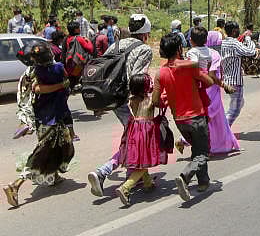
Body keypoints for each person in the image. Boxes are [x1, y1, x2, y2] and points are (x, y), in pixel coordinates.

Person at [87, 14, 153, 198]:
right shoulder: (144, 50)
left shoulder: (114, 45)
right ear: (145, 33)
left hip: (111, 97)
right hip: (129, 99)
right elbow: (137, 78)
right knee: (135, 138)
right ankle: (103, 171)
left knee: (131, 136)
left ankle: (134, 173)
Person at [3, 41, 75, 208]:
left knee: (55, 147)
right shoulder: (57, 68)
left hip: (42, 116)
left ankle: (54, 175)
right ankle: (15, 185)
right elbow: (44, 88)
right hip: (53, 117)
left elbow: (34, 90)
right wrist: (60, 85)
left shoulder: (35, 71)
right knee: (43, 152)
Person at [152, 33, 214, 201]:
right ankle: (185, 177)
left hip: (179, 120)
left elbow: (156, 100)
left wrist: (170, 97)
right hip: (196, 116)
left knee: (197, 148)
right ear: (179, 48)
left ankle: (203, 181)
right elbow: (209, 81)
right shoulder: (189, 66)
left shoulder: (160, 73)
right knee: (203, 153)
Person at [114, 74, 168, 206]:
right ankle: (126, 187)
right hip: (146, 131)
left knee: (142, 158)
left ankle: (148, 183)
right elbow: (160, 102)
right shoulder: (149, 100)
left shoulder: (132, 100)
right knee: (146, 160)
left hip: (134, 129)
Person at [185, 27, 240, 154]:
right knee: (212, 119)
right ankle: (206, 146)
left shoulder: (191, 53)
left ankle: (193, 142)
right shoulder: (214, 54)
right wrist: (225, 85)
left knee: (204, 118)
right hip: (210, 90)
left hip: (197, 89)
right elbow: (212, 76)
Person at [221, 21, 257, 126]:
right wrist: (248, 39)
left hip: (227, 79)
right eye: (237, 30)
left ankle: (222, 126)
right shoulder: (234, 43)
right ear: (233, 31)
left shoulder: (224, 42)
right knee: (235, 110)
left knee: (239, 103)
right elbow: (250, 51)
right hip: (235, 80)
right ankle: (223, 130)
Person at [62, 21, 94, 90]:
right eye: (78, 28)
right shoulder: (79, 39)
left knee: (72, 81)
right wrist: (88, 40)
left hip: (69, 64)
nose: (79, 29)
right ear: (75, 29)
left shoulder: (66, 39)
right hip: (78, 64)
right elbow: (90, 49)